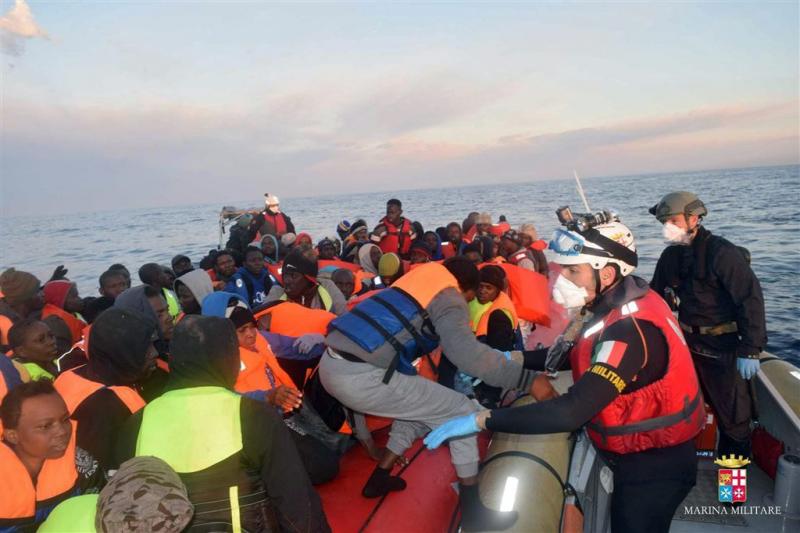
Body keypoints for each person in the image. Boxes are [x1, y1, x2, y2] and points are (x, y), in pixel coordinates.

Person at [425, 215, 705, 533]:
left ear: (608, 273)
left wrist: (482, 420)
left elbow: (571, 411)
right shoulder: (616, 302)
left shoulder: (630, 331)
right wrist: (511, 356)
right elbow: (575, 354)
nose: (562, 279)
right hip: (635, 454)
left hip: (655, 466)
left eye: (573, 271)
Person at [319, 257, 539, 531]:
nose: (467, 305)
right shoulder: (450, 294)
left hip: (330, 367)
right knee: (462, 410)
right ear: (465, 288)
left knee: (423, 403)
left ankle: (380, 476)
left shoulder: (416, 279)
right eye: (469, 298)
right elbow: (468, 356)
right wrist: (528, 381)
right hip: (360, 377)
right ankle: (474, 512)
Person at [114, 315, 330, 532]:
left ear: (173, 359)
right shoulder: (253, 416)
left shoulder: (135, 424)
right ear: (230, 359)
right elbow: (298, 507)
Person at [649, 191, 766, 459]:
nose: (668, 227)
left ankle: (732, 496)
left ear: (694, 218)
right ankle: (679, 475)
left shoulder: (722, 253)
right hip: (687, 347)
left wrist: (750, 349)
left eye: (673, 221)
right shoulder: (670, 257)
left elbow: (751, 300)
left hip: (723, 351)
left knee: (735, 424)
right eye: (664, 222)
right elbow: (655, 298)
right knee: (675, 411)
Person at [203, 293, 340, 484]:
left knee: (336, 446)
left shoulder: (261, 338)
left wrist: (324, 342)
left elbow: (293, 348)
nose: (250, 334)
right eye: (242, 330)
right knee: (324, 467)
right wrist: (267, 397)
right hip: (260, 422)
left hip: (289, 404)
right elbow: (224, 399)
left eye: (252, 326)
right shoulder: (216, 362)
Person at [53, 308, 155, 476]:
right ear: (122, 351)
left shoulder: (69, 375)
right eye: (145, 347)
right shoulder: (116, 402)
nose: (154, 353)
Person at [0, 380, 102, 531]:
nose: (62, 432)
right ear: (12, 435)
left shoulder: (78, 461)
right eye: (45, 426)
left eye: (65, 420)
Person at [265, 249, 347, 315]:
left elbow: (344, 320)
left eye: (294, 276)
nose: (287, 281)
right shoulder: (277, 293)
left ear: (308, 279)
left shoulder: (327, 287)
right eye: (285, 275)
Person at [41, 281, 86, 345]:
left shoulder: (73, 313)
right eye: (75, 296)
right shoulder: (55, 322)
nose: (80, 299)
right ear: (60, 300)